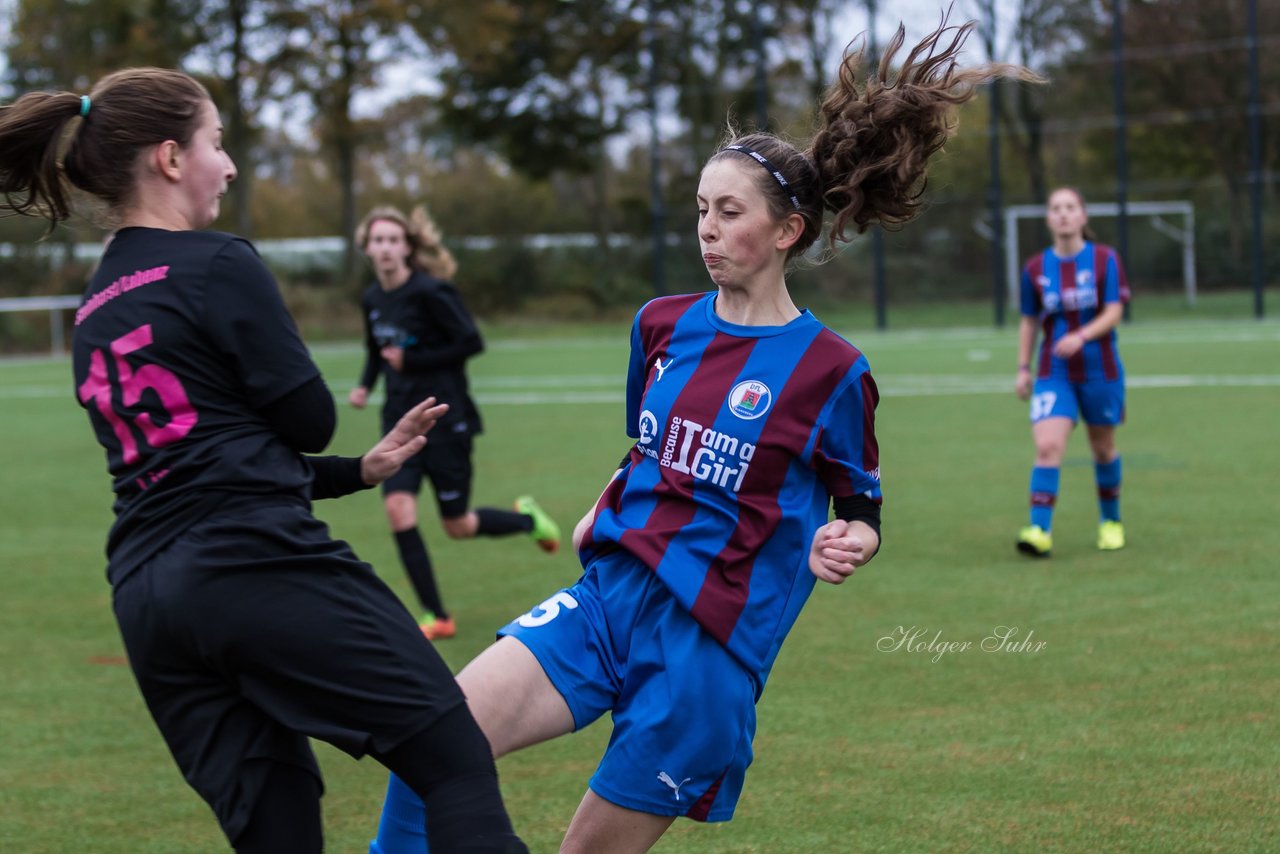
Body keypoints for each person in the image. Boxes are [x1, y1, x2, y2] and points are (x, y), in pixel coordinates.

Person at [369, 18, 1039, 854]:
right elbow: (644, 448)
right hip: (608, 601)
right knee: (429, 745)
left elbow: (860, 502)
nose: (708, 229)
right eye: (700, 209)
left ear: (787, 231)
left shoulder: (831, 369)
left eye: (729, 212)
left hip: (708, 652)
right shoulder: (659, 326)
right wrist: (603, 503)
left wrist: (852, 539)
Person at [0, 69, 527, 853]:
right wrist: (323, 441)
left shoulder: (95, 308)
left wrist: (360, 472)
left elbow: (193, 468)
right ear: (171, 158)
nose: (232, 164)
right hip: (252, 565)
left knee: (279, 833)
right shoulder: (216, 262)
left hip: (149, 602)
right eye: (219, 142)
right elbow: (308, 421)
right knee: (452, 762)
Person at [350, 204, 561, 641]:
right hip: (399, 423)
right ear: (366, 248)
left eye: (393, 239)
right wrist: (364, 386)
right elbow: (377, 350)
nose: (386, 248)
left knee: (457, 525)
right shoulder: (372, 298)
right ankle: (437, 616)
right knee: (397, 507)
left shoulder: (432, 292)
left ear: (407, 247)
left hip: (447, 419)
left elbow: (471, 341)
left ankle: (528, 522)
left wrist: (413, 360)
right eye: (378, 240)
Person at [1015, 187, 1130, 556]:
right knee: (1048, 446)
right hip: (1054, 372)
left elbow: (1114, 311)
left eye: (1070, 208)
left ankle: (1110, 522)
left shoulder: (1104, 260)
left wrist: (1081, 335)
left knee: (1103, 447)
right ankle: (1039, 530)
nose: (1063, 214)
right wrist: (1022, 368)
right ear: (1049, 218)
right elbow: (1029, 321)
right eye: (1055, 208)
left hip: (1102, 371)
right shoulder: (1035, 269)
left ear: (1083, 216)